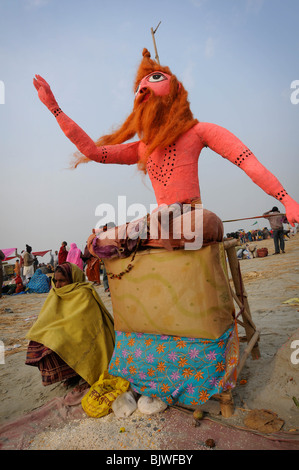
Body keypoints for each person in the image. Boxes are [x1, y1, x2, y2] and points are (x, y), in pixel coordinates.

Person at [25, 262, 115, 387]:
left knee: (62, 340)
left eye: (62, 281)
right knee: (45, 339)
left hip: (85, 337)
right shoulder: (56, 293)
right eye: (55, 280)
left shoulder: (84, 293)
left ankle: (84, 373)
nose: (57, 285)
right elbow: (46, 319)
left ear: (73, 279)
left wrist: (63, 332)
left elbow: (89, 327)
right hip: (68, 332)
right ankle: (71, 374)